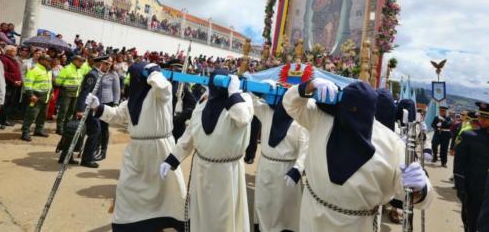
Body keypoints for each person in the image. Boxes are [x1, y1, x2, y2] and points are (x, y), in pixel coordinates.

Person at [282, 79, 433, 232]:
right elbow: (290, 104)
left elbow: (413, 195)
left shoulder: (392, 144)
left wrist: (419, 188)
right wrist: (309, 86)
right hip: (312, 217)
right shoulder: (322, 118)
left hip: (358, 225)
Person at [86, 62, 186, 231]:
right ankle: (131, 224)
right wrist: (99, 107)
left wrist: (154, 72)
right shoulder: (132, 101)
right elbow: (117, 115)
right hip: (137, 151)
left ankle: (162, 223)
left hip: (160, 149)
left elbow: (163, 88)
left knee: (166, 192)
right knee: (127, 188)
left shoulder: (159, 95)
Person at [160, 69, 254, 232]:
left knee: (223, 218)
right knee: (201, 215)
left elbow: (243, 118)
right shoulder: (203, 103)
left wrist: (233, 93)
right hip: (202, 170)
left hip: (226, 173)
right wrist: (172, 159)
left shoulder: (242, 100)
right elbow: (190, 134)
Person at [249, 81, 309, 232]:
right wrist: (258, 87)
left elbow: (306, 147)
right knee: (264, 204)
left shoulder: (300, 120)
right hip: (265, 167)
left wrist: (298, 168)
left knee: (284, 209)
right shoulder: (268, 112)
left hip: (287, 172)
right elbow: (252, 102)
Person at [454, 101, 489, 232]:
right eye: (482, 117)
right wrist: (460, 187)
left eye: (486, 118)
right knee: (472, 223)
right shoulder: (468, 137)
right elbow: (459, 164)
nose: (483, 120)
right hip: (473, 190)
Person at [75, 56, 112, 168]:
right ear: (101, 63)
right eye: (107, 64)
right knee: (95, 131)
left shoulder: (98, 75)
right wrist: (80, 110)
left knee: (81, 131)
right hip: (88, 109)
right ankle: (87, 159)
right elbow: (84, 93)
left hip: (92, 108)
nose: (108, 67)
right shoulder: (93, 75)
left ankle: (69, 156)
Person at [21, 55, 53, 141]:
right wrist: (31, 95)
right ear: (41, 60)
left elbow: (49, 82)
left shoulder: (48, 70)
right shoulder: (34, 69)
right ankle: (25, 132)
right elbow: (28, 84)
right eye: (48, 60)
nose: (49, 62)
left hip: (46, 96)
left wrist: (51, 92)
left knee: (43, 115)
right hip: (36, 96)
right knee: (31, 115)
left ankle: (39, 130)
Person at [164, 59, 197, 142]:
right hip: (162, 123)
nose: (178, 71)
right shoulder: (163, 83)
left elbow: (193, 105)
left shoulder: (183, 85)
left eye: (179, 69)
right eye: (176, 69)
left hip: (176, 126)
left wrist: (181, 117)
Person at [94, 65, 120, 161]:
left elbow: (117, 90)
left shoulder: (114, 74)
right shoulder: (98, 72)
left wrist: (116, 104)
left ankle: (103, 151)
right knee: (96, 126)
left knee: (104, 127)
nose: (107, 64)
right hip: (96, 102)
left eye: (110, 62)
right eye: (106, 62)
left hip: (107, 103)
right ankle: (95, 147)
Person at [55, 55, 85, 135]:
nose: (81, 63)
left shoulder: (80, 70)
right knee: (63, 111)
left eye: (82, 62)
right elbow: (58, 81)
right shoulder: (67, 69)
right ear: (74, 60)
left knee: (71, 111)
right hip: (66, 93)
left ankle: (66, 127)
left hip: (75, 93)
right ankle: (59, 128)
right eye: (80, 61)